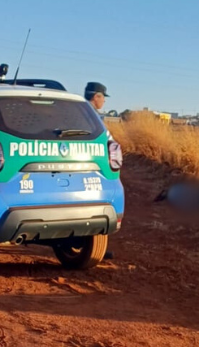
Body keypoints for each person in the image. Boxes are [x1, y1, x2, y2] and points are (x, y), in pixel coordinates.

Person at [84, 82, 115, 260]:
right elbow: (107, 141)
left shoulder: (77, 110)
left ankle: (93, 248)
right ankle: (95, 249)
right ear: (96, 96)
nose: (103, 101)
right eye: (103, 97)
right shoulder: (92, 116)